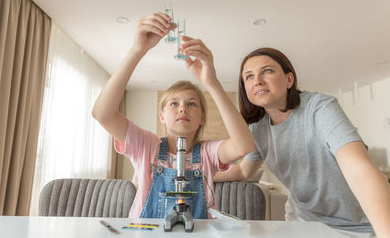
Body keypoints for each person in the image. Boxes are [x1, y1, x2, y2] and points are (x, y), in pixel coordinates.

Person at [92, 12, 254, 219]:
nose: (182, 108)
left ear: (202, 117)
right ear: (162, 116)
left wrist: (211, 82)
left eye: (192, 104)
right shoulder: (146, 145)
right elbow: (102, 114)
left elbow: (244, 145)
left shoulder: (208, 153)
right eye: (174, 103)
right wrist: (138, 49)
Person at [213, 47, 390, 237]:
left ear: (289, 80)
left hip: (356, 227)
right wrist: (201, 172)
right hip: (302, 223)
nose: (257, 81)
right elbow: (243, 170)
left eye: (267, 71)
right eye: (249, 76)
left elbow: (359, 171)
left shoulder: (319, 108)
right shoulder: (256, 128)